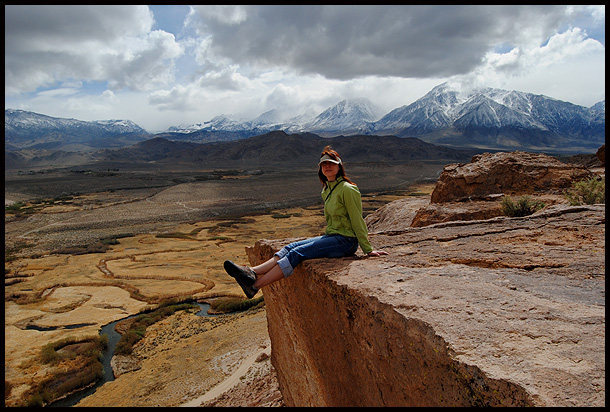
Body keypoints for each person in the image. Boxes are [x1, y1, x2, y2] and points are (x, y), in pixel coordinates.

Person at [224, 145, 388, 298]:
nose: (327, 167)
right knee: (290, 247)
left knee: (297, 254)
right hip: (333, 237)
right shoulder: (327, 190)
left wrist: (367, 249)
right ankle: (250, 272)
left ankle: (255, 286)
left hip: (346, 241)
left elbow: (357, 219)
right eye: (324, 164)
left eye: (331, 163)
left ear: (339, 166)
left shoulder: (348, 189)